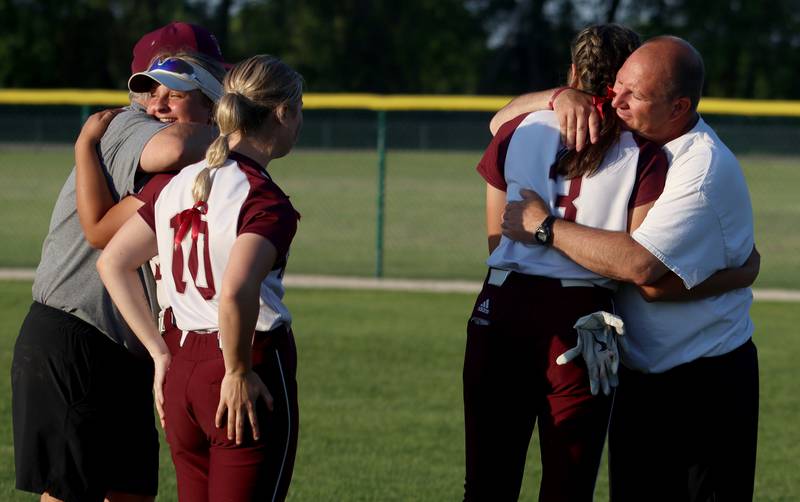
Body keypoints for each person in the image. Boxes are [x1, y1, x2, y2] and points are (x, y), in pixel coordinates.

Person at [501, 36, 759, 501]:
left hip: (702, 380)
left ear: (678, 107)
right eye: (616, 86)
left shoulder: (697, 170)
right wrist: (559, 96)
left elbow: (642, 270)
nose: (615, 101)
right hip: (642, 377)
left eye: (633, 95)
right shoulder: (632, 130)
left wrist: (544, 226)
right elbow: (501, 120)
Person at [11, 23, 225, 502]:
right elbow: (104, 232)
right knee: (71, 494)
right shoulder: (134, 126)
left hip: (119, 341)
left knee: (130, 492)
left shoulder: (183, 152)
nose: (156, 101)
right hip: (77, 331)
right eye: (151, 87)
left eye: (173, 90)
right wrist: (238, 134)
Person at [463, 24, 668, 502]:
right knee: (568, 485)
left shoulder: (518, 130)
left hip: (503, 304)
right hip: (584, 313)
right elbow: (633, 257)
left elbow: (497, 240)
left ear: (573, 71)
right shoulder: (645, 150)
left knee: (488, 482)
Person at [98, 54, 303, 502]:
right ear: (283, 112)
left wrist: (158, 352)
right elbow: (235, 290)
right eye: (299, 109)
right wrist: (238, 368)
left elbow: (112, 260)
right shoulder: (264, 197)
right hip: (239, 361)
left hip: (181, 365)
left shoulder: (182, 181)